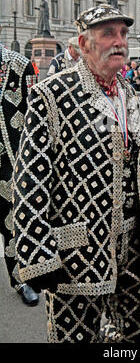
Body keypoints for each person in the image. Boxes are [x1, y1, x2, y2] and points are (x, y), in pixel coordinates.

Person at [12, 4, 140, 343]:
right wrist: (39, 254)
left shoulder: (133, 95)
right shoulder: (52, 95)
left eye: (123, 34)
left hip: (134, 241)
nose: (119, 42)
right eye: (108, 34)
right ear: (84, 44)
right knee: (74, 335)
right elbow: (30, 180)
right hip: (78, 248)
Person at [0, 44, 39, 306]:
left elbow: (34, 113)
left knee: (13, 223)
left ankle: (21, 278)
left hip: (10, 163)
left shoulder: (19, 64)